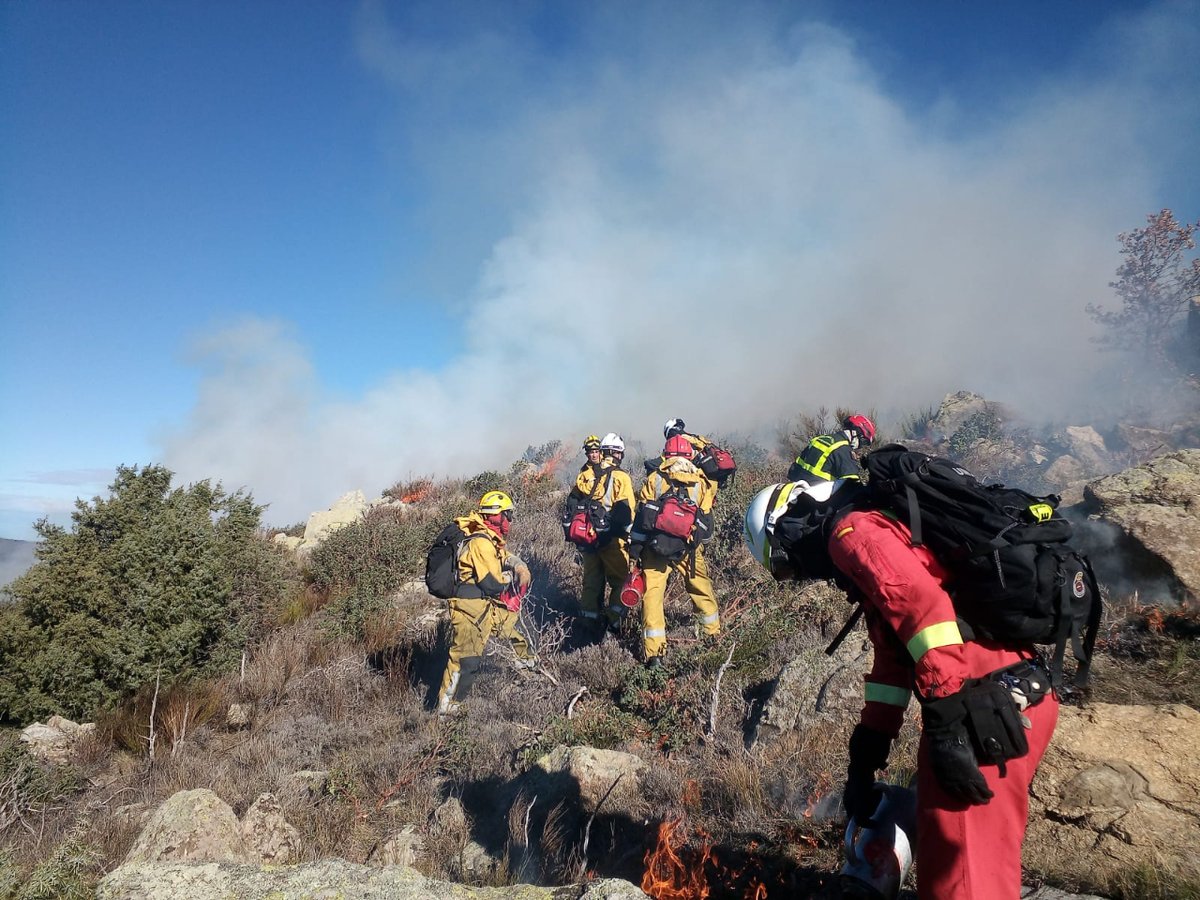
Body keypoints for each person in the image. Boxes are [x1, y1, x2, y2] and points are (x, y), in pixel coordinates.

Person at [829, 499, 1057, 900]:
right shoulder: (896, 541)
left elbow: (927, 614)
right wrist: (866, 754)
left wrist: (950, 728)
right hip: (1005, 697)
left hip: (985, 712)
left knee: (965, 879)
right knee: (963, 865)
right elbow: (893, 665)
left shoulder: (853, 534)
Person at [435, 490, 535, 715]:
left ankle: (530, 667)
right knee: (465, 661)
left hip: (484, 606)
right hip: (469, 609)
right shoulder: (481, 543)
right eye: (507, 515)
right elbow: (492, 583)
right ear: (497, 516)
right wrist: (511, 577)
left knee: (513, 626)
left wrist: (518, 564)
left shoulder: (487, 538)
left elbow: (502, 555)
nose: (509, 520)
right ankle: (447, 709)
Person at [629, 434, 720, 667]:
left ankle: (655, 655)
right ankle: (712, 635)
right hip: (687, 550)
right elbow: (707, 529)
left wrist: (635, 554)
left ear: (666, 455)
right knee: (700, 586)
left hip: (655, 549)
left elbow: (642, 522)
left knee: (652, 597)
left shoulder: (655, 479)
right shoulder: (702, 482)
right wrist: (690, 542)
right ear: (689, 455)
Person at [571, 433, 635, 637]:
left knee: (591, 581)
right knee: (620, 581)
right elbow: (626, 513)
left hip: (589, 539)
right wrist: (632, 540)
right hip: (612, 540)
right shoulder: (621, 477)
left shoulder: (585, 475)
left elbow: (573, 502)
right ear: (616, 453)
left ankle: (588, 623)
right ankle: (613, 624)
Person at [785, 414, 876, 484]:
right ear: (856, 433)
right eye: (864, 442)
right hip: (817, 500)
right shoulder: (843, 450)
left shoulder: (820, 439)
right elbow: (852, 484)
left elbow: (793, 470)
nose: (860, 447)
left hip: (796, 490)